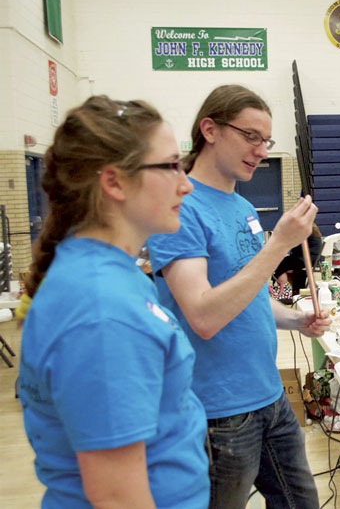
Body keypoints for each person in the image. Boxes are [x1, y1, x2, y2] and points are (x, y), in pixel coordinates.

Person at [18, 96, 209, 507]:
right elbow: (118, 498)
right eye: (170, 165)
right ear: (114, 182)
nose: (186, 183)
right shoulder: (101, 310)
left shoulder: (112, 275)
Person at [147, 85, 331, 509]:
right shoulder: (182, 209)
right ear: (209, 129)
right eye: (250, 136)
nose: (261, 150)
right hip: (218, 411)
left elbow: (246, 295)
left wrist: (294, 319)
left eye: (266, 141)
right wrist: (278, 245)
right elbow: (204, 317)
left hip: (268, 395)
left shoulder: (244, 207)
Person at [274, 223, 323, 296]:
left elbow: (292, 247)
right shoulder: (312, 227)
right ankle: (292, 290)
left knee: (279, 266)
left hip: (306, 259)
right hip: (316, 258)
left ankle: (285, 293)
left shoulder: (303, 230)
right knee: (286, 264)